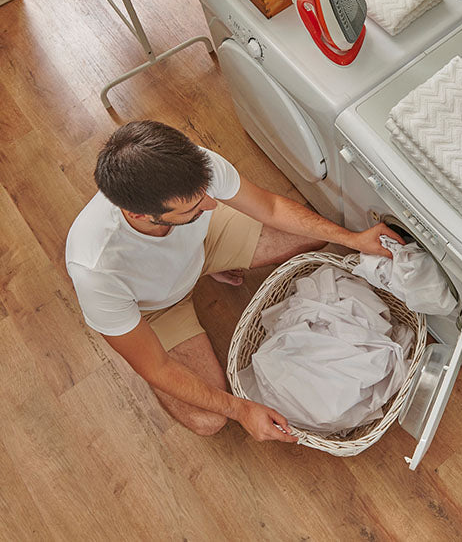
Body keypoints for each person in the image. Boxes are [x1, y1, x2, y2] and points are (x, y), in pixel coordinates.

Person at [65, 120, 403, 442]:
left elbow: (269, 207)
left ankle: (204, 261)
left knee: (313, 236)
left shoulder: (193, 167)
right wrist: (242, 409)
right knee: (209, 420)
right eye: (195, 206)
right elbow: (156, 366)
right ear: (140, 215)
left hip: (203, 246)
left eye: (205, 193)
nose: (212, 203)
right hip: (155, 309)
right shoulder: (96, 269)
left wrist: (353, 239)